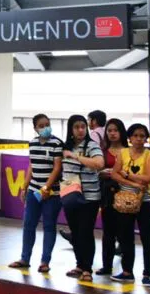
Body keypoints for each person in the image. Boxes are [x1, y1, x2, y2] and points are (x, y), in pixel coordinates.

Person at [10, 114, 63, 274]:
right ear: (35, 128)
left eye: (47, 124)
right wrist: (24, 187)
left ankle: (45, 261)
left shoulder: (57, 143)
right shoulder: (32, 143)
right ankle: (25, 258)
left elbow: (57, 168)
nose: (45, 127)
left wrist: (46, 187)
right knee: (28, 224)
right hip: (34, 191)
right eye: (41, 125)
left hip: (51, 193)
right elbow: (31, 166)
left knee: (48, 226)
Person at [111, 123, 150, 286]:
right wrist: (135, 182)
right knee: (125, 236)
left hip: (144, 201)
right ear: (129, 138)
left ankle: (147, 274)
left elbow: (149, 178)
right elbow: (114, 174)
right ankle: (127, 271)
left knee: (146, 237)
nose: (139, 139)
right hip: (124, 200)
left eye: (142, 136)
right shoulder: (122, 153)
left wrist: (128, 174)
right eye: (135, 135)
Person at [61, 114, 105, 282]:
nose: (80, 130)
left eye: (83, 127)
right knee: (76, 232)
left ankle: (87, 268)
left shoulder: (92, 146)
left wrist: (76, 156)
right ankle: (79, 264)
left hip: (89, 197)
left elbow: (99, 164)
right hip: (70, 194)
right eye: (76, 127)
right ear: (71, 130)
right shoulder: (66, 147)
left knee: (86, 231)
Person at [95, 118, 128, 275]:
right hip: (108, 195)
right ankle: (106, 265)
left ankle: (127, 269)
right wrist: (103, 173)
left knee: (124, 231)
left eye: (115, 130)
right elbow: (97, 171)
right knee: (108, 231)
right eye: (109, 131)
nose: (112, 133)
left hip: (126, 193)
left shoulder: (129, 151)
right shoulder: (102, 151)